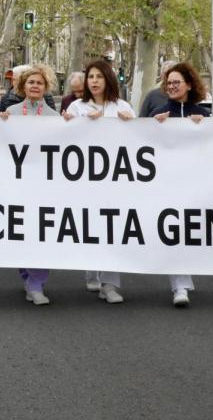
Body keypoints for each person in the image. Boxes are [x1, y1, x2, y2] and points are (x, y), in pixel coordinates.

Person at [64, 60, 135, 304]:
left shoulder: (122, 106)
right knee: (89, 226)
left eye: (98, 76)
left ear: (108, 80)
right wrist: (76, 123)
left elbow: (139, 141)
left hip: (115, 180)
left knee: (113, 229)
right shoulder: (77, 106)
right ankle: (91, 269)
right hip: (84, 180)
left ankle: (111, 284)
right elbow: (63, 140)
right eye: (90, 77)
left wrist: (130, 124)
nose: (93, 81)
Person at [0, 65, 59, 305]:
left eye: (39, 83)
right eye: (31, 82)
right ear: (23, 86)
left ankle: (36, 284)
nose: (35, 86)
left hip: (44, 185)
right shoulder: (10, 112)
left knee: (41, 232)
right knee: (21, 232)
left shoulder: (54, 117)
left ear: (46, 87)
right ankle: (27, 274)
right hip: (17, 185)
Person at [149, 63, 209, 307]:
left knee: (190, 232)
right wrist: (154, 126)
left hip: (196, 184)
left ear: (189, 85)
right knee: (174, 232)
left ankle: (184, 280)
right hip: (168, 185)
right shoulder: (160, 113)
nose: (172, 86)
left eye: (176, 82)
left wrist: (205, 125)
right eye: (168, 83)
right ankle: (180, 285)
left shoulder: (203, 114)